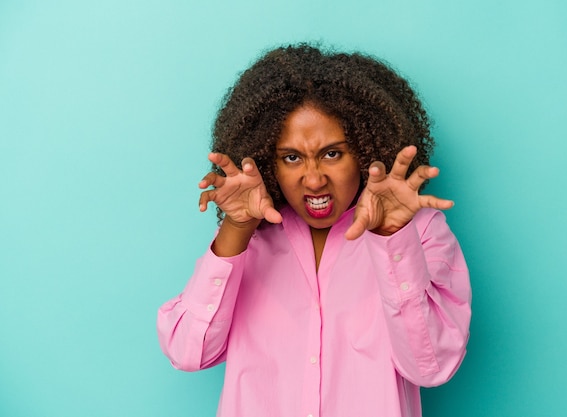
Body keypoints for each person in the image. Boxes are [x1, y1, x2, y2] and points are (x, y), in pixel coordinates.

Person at [157, 43, 471, 417]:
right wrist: (236, 229)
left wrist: (391, 238)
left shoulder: (420, 233)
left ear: (367, 149)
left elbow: (432, 366)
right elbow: (187, 352)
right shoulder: (249, 238)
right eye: (292, 157)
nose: (314, 178)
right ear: (267, 160)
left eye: (332, 153)